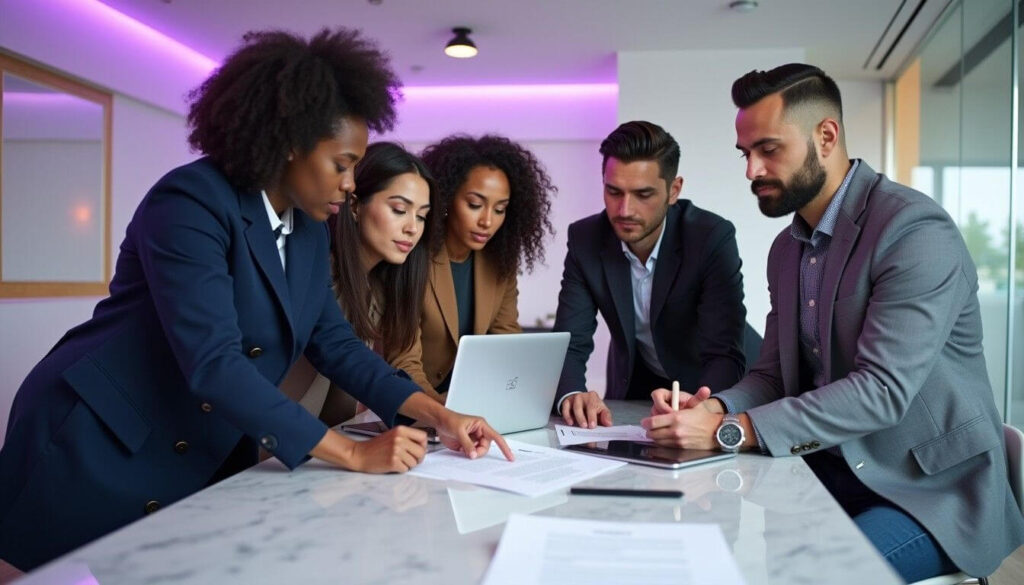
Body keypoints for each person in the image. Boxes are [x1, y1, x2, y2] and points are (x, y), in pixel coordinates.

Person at [0, 29, 511, 572]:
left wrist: (441, 415)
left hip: (199, 444)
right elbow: (214, 363)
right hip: (97, 437)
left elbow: (336, 344)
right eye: (341, 164)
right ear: (291, 143)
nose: (350, 185)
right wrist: (352, 452)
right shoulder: (191, 202)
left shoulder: (310, 229)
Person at [642, 63, 1024, 582]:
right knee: (708, 549)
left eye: (768, 150)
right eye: (745, 154)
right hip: (829, 465)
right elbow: (773, 373)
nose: (751, 170)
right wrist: (712, 406)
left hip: (931, 490)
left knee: (814, 576)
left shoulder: (913, 230)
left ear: (826, 136)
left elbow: (882, 391)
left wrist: (730, 431)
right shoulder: (786, 249)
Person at [553, 121, 746, 429]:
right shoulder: (585, 239)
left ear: (674, 190)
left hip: (716, 388)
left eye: (643, 194)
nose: (624, 209)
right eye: (613, 191)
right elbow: (569, 341)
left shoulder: (710, 237)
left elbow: (723, 351)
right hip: (635, 388)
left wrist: (704, 406)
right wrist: (572, 394)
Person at [278, 141, 440, 424]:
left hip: (322, 448)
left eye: (422, 216)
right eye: (400, 210)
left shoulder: (383, 287)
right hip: (265, 443)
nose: (412, 228)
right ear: (354, 206)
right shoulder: (314, 273)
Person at [392, 135, 556, 401]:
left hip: (472, 406)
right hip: (416, 406)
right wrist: (443, 413)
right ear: (445, 198)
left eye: (500, 209)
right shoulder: (412, 256)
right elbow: (403, 363)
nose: (487, 221)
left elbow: (507, 346)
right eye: (475, 205)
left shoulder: (500, 264)